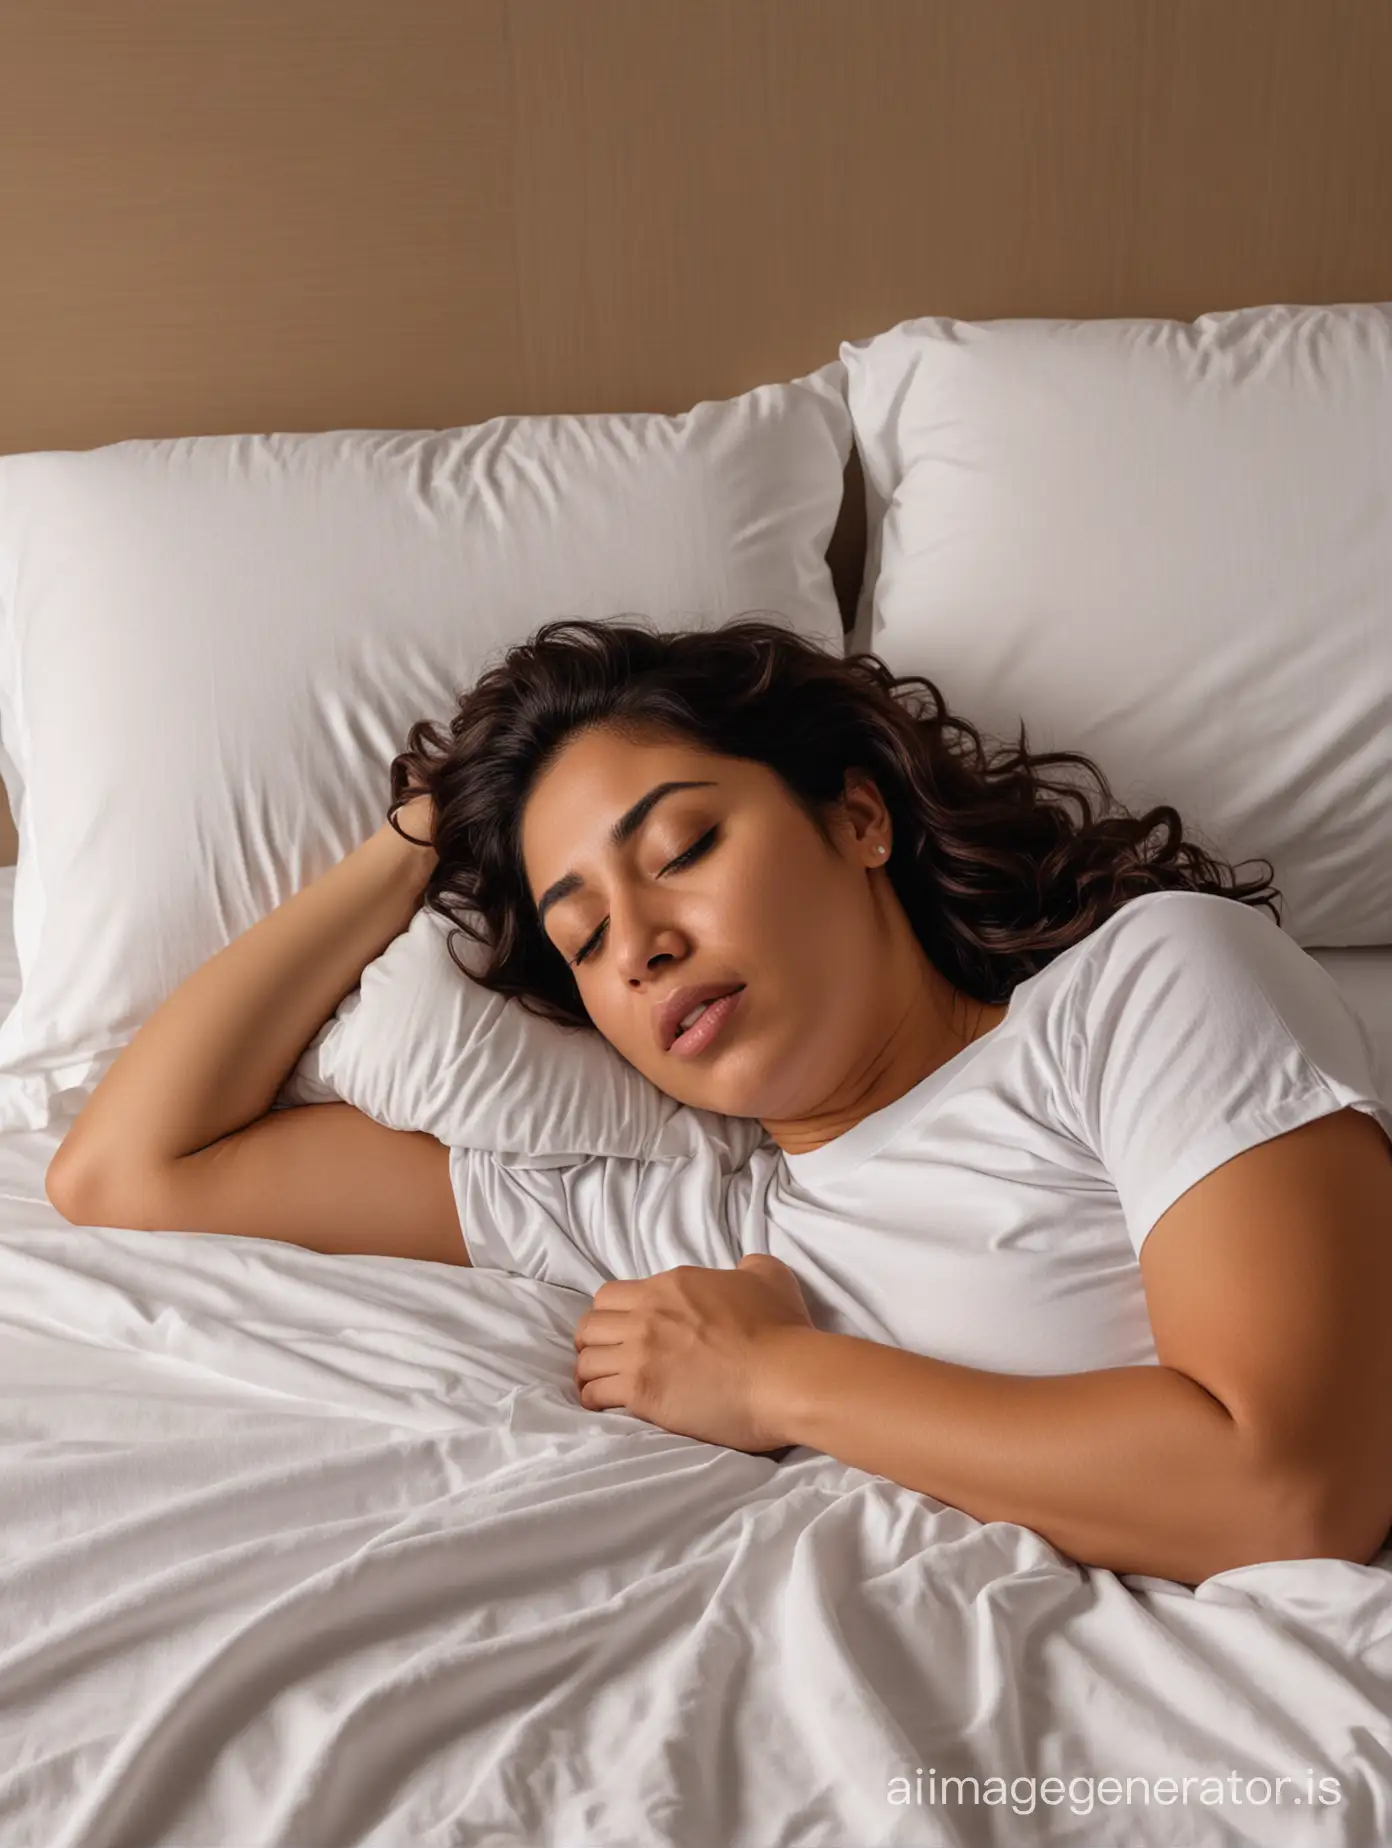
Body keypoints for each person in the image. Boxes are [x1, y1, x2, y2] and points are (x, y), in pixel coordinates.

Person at [45, 617, 1392, 1585]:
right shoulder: (688, 1220)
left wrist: (777, 1376)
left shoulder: (1148, 991)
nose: (637, 945)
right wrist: (420, 837)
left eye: (681, 849)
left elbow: (1294, 1486)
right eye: (582, 939)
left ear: (859, 820)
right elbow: (126, 1173)